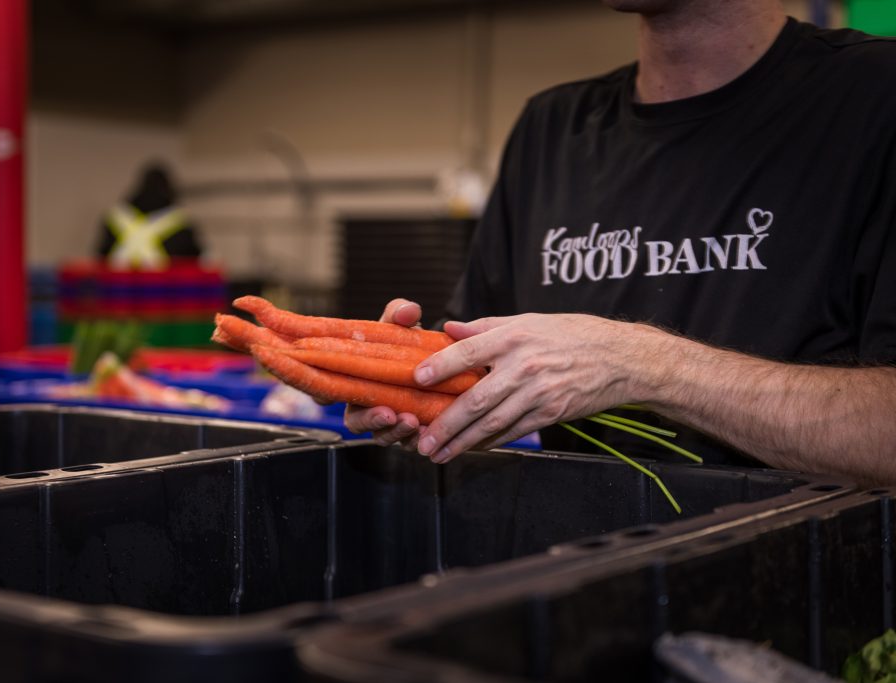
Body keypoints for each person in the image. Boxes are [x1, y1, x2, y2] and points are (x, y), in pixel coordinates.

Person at [345, 0, 896, 486]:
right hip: (593, 573)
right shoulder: (552, 129)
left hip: (812, 581)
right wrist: (407, 382)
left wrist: (650, 366)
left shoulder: (875, 95)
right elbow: (483, 373)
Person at [96, 162, 203, 269]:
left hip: (117, 282)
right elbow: (195, 260)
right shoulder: (180, 220)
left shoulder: (116, 217)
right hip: (164, 283)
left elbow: (100, 257)